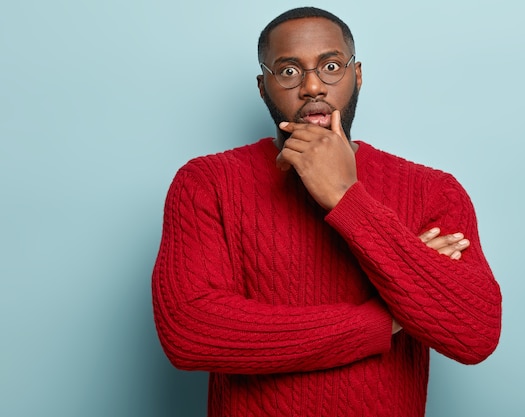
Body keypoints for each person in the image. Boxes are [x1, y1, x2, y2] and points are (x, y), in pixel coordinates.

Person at [152, 7, 502, 417]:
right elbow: (189, 332)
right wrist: (383, 319)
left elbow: (475, 334)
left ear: (358, 75)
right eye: (288, 72)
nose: (313, 86)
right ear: (263, 87)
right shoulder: (207, 183)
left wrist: (345, 197)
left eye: (331, 66)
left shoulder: (432, 191)